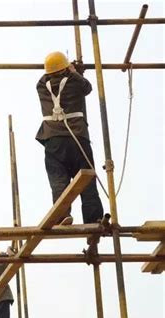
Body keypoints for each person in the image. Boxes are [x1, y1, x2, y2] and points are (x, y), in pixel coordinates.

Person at [35, 51, 103, 225]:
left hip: (53, 140)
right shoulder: (74, 81)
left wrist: (66, 69)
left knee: (58, 180)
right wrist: (74, 71)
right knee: (87, 181)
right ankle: (93, 218)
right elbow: (87, 87)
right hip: (77, 137)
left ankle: (62, 214)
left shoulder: (42, 86)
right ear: (65, 67)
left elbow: (45, 77)